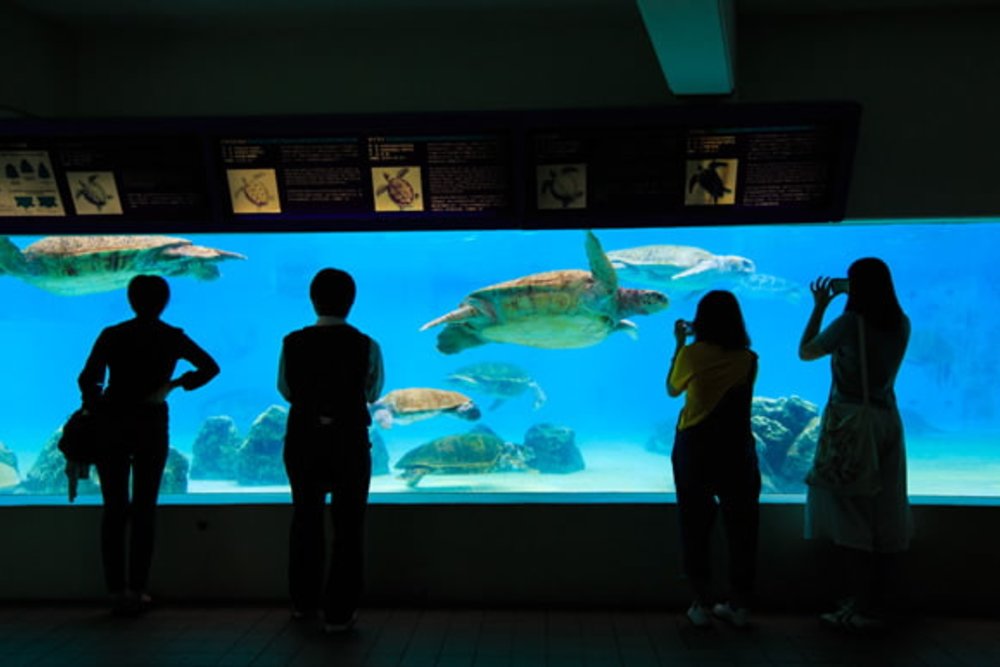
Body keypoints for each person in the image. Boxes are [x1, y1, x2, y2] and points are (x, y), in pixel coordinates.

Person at [79, 274, 220, 615]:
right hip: (151, 422)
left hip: (112, 422)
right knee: (144, 508)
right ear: (164, 302)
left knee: (114, 509)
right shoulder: (171, 337)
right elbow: (210, 367)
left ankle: (114, 591)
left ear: (130, 300)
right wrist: (175, 384)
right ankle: (138, 589)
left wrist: (97, 406)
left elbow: (88, 378)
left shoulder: (112, 335)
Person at [798, 258, 911, 632]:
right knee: (884, 508)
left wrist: (820, 305)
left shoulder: (850, 323)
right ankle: (878, 601)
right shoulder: (901, 322)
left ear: (857, 287)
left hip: (851, 425)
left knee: (850, 513)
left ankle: (860, 607)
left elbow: (808, 351)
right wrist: (855, 292)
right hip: (886, 421)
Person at [278, 268, 384, 633]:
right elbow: (372, 393)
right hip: (349, 442)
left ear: (312, 299)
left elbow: (287, 390)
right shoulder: (367, 344)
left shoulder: (291, 342)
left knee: (305, 519)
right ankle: (339, 612)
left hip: (303, 440)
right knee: (348, 526)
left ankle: (303, 603)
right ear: (351, 302)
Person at [666, 290, 760, 628]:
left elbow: (673, 388)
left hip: (696, 447)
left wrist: (679, 343)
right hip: (737, 449)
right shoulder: (749, 359)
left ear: (699, 321)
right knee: (742, 528)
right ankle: (740, 606)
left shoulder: (692, 354)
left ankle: (702, 604)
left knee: (695, 526)